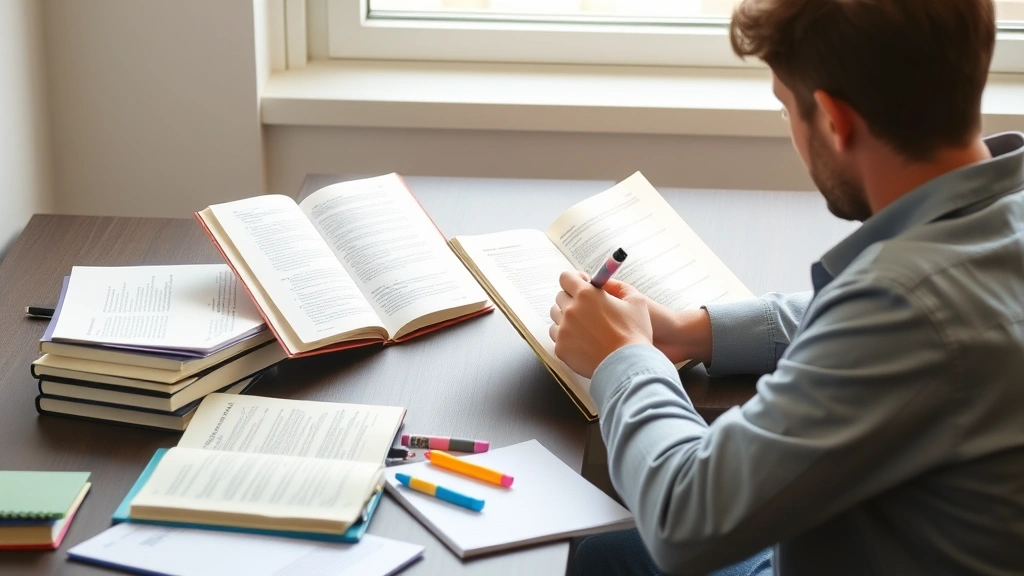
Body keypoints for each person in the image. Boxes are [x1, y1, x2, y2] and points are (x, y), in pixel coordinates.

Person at [549, 0, 1024, 574]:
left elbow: (685, 516)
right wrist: (696, 331)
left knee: (589, 560)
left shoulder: (903, 309)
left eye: (784, 107)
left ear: (833, 119)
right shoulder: (994, 223)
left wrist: (623, 358)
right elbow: (924, 312)